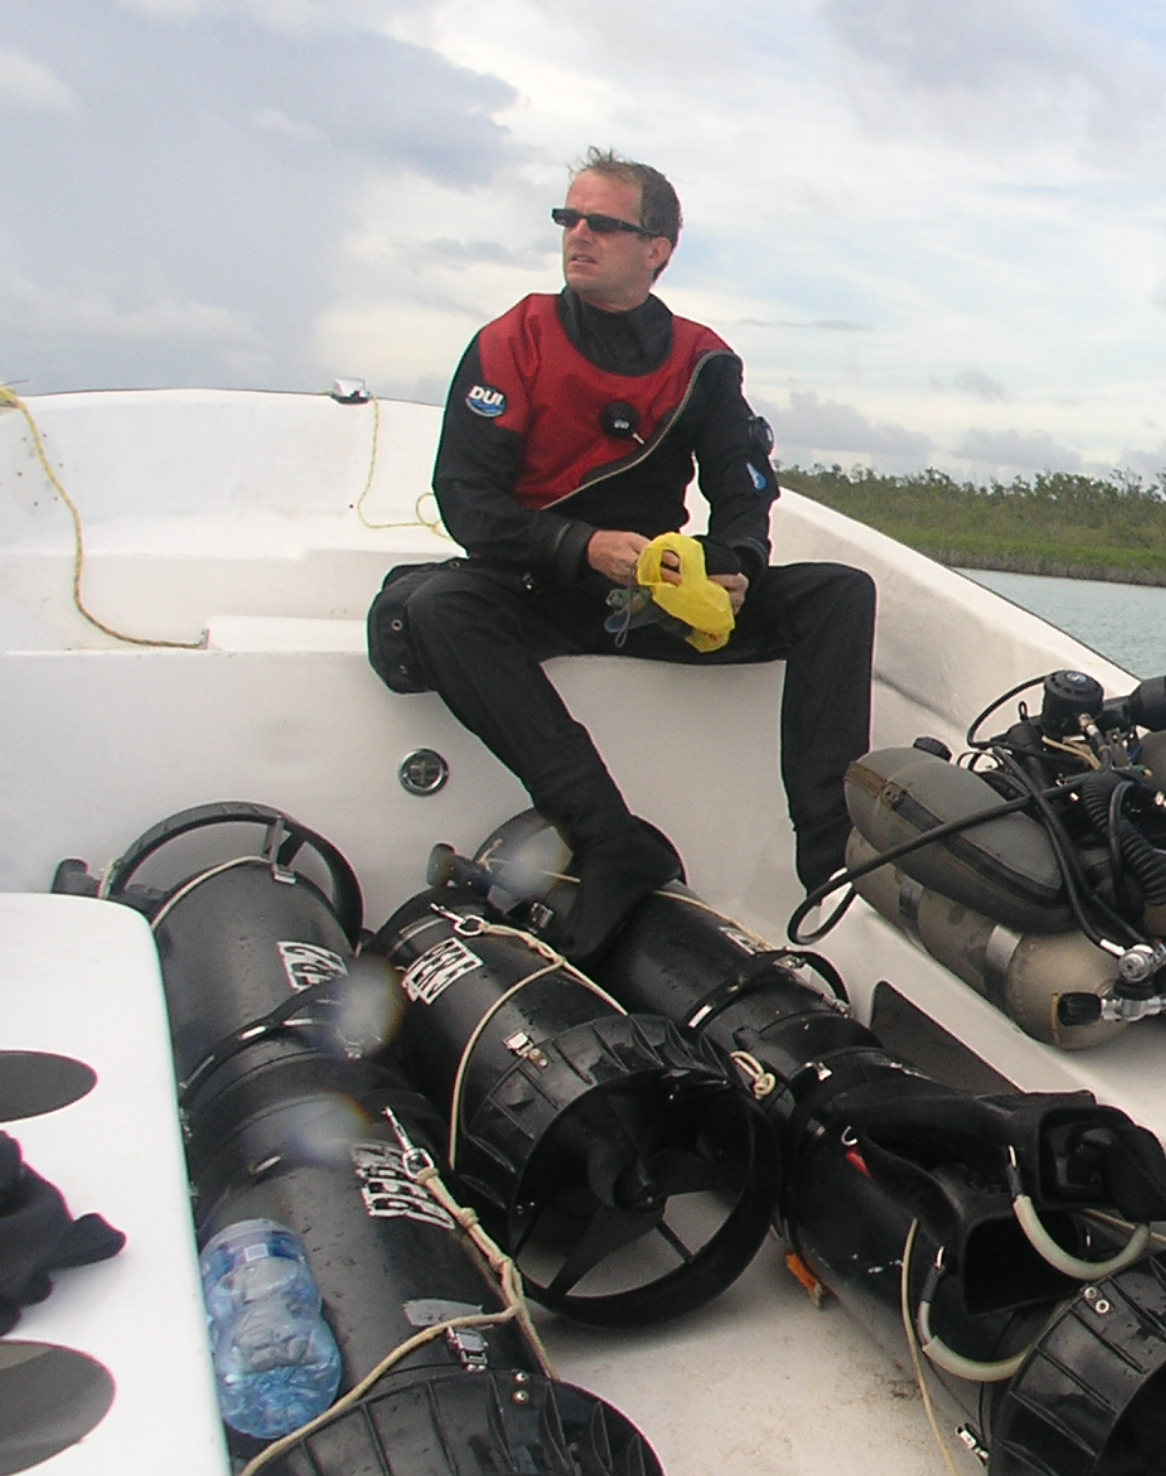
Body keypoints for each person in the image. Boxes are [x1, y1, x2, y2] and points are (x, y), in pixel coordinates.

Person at [370, 148, 875, 955]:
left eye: (602, 223)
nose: (578, 236)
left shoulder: (700, 360)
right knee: (435, 610)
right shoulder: (512, 342)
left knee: (840, 595)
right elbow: (467, 502)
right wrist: (583, 546)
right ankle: (608, 840)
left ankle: (829, 856)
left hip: (652, 597)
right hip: (537, 584)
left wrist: (736, 561)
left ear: (658, 248)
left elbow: (743, 484)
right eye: (568, 219)